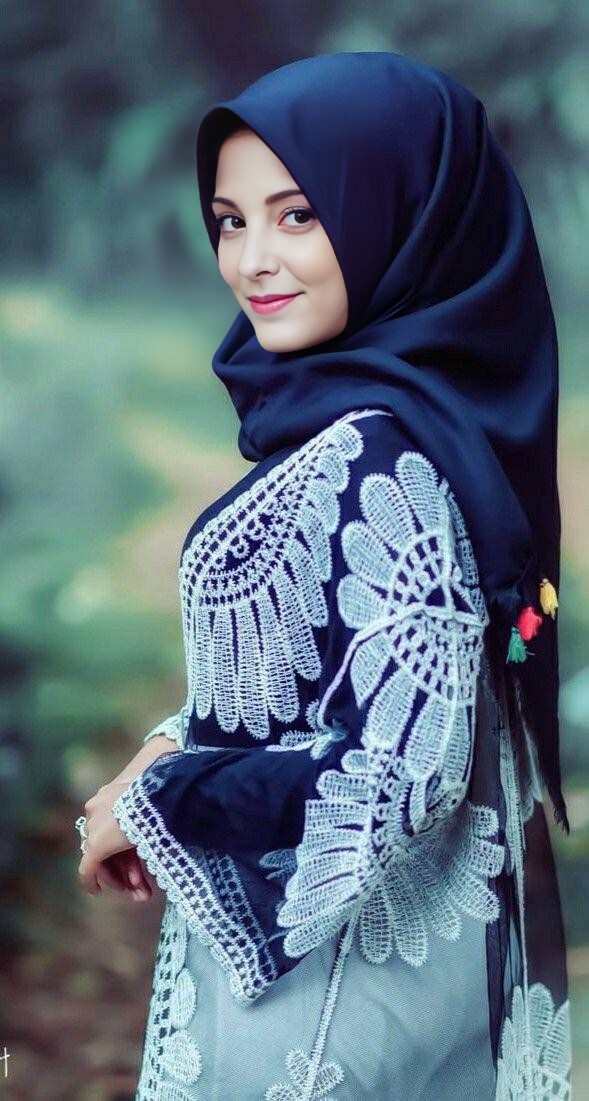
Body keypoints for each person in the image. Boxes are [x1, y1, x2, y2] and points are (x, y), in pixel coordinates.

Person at [76, 52, 572, 1099]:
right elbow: (343, 681)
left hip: (328, 1025)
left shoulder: (382, 455)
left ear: (405, 213)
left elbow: (406, 766)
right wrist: (167, 746)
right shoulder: (413, 424)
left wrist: (162, 800)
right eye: (229, 221)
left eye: (298, 215)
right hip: (369, 1002)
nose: (253, 259)